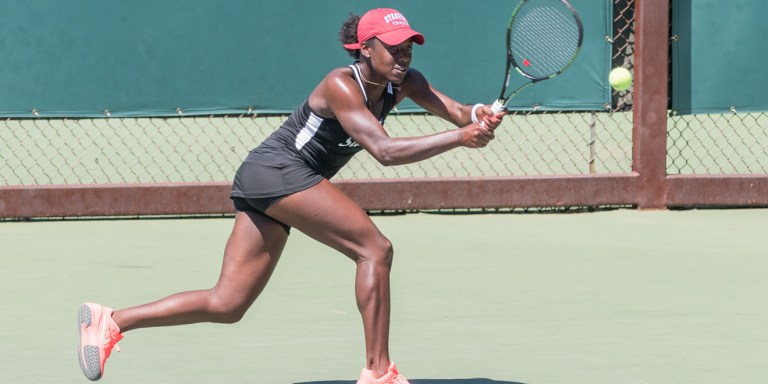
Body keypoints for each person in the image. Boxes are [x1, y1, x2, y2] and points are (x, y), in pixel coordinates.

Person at [77, 7, 504, 384]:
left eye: (408, 45)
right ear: (365, 48)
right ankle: (378, 373)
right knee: (374, 249)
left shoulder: (405, 81)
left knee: (228, 303)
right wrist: (460, 137)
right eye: (393, 47)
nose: (404, 55)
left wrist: (476, 115)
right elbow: (385, 151)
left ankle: (111, 320)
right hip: (277, 171)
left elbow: (457, 110)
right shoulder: (341, 84)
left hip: (275, 180)